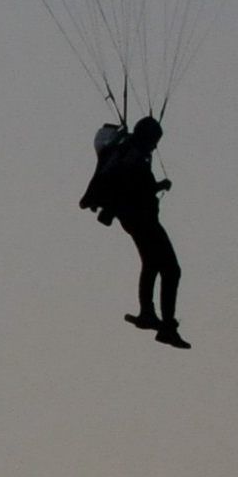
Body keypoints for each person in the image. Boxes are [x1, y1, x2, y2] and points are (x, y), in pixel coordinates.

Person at [79, 116, 186, 348]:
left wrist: (157, 186)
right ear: (147, 137)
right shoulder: (132, 155)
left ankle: (149, 314)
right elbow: (131, 187)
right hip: (141, 218)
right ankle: (165, 325)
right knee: (171, 269)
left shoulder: (127, 152)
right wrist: (158, 186)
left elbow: (134, 186)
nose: (156, 145)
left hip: (134, 218)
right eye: (155, 140)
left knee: (151, 263)